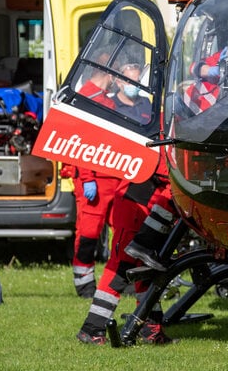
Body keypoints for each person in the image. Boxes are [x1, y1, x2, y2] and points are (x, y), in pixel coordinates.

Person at [76, 63, 176, 345]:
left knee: (146, 270)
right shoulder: (138, 120)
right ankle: (92, 328)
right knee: (120, 267)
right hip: (132, 205)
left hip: (143, 206)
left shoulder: (154, 117)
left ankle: (150, 328)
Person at [69, 50, 121, 297]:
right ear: (108, 73)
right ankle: (84, 283)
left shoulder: (106, 99)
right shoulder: (86, 98)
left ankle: (119, 280)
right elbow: (78, 144)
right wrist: (88, 179)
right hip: (94, 180)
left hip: (114, 178)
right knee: (89, 232)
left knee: (121, 231)